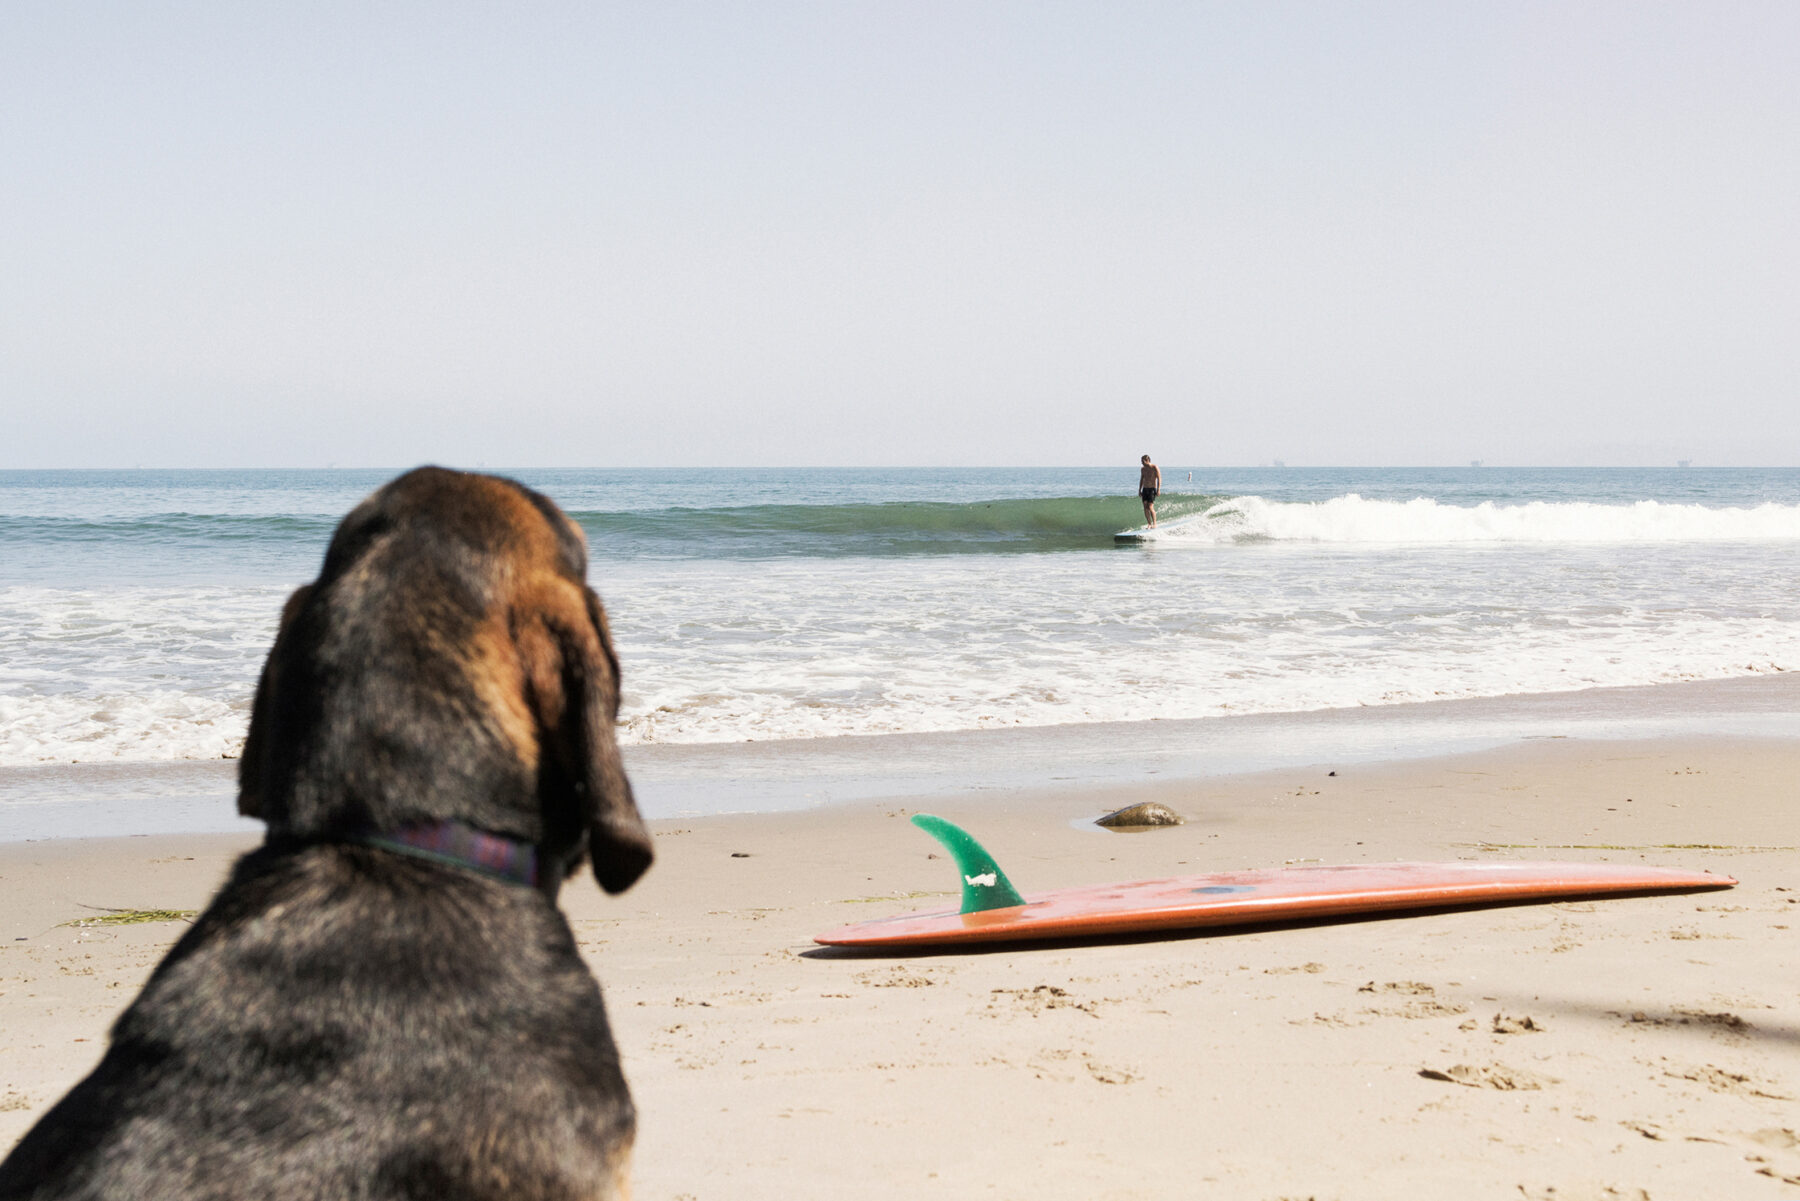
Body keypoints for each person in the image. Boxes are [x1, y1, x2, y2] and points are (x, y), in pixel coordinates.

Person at [1137, 455, 1162, 527]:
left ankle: (1154, 523)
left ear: (1147, 460)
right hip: (1145, 489)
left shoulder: (1154, 467)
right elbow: (1142, 479)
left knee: (1150, 507)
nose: (1142, 463)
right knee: (1145, 506)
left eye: (1142, 461)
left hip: (1152, 489)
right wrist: (1139, 490)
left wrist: (1158, 489)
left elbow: (1159, 478)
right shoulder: (1143, 469)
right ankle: (1149, 524)